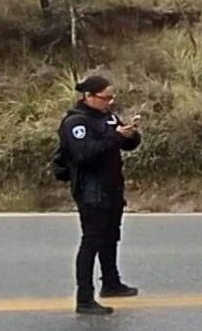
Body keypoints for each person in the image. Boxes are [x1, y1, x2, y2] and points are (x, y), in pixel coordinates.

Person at [58, 75, 141, 315]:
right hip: (90, 189)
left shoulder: (108, 117)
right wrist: (116, 136)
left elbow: (124, 144)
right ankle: (84, 298)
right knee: (91, 241)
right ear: (89, 96)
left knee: (111, 237)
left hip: (112, 186)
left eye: (112, 97)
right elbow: (84, 154)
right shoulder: (76, 123)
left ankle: (111, 282)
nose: (110, 102)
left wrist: (130, 134)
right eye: (105, 98)